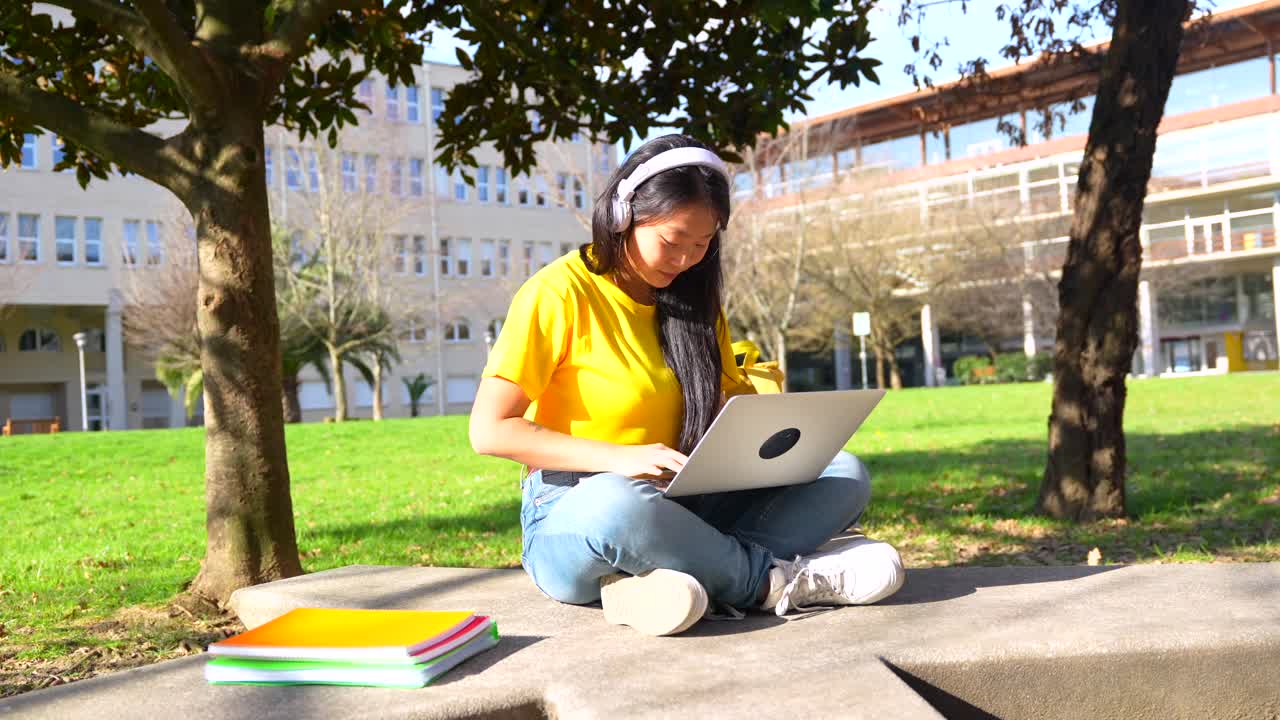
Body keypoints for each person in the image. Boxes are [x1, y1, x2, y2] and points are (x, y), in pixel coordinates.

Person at [469, 134, 904, 636]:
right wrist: (620, 459)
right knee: (616, 503)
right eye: (672, 241)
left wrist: (766, 437)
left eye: (701, 245)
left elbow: (722, 406)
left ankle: (663, 579)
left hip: (684, 500)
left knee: (843, 472)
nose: (684, 260)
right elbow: (490, 430)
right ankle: (773, 582)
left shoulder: (695, 304)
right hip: (577, 510)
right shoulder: (557, 293)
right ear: (623, 217)